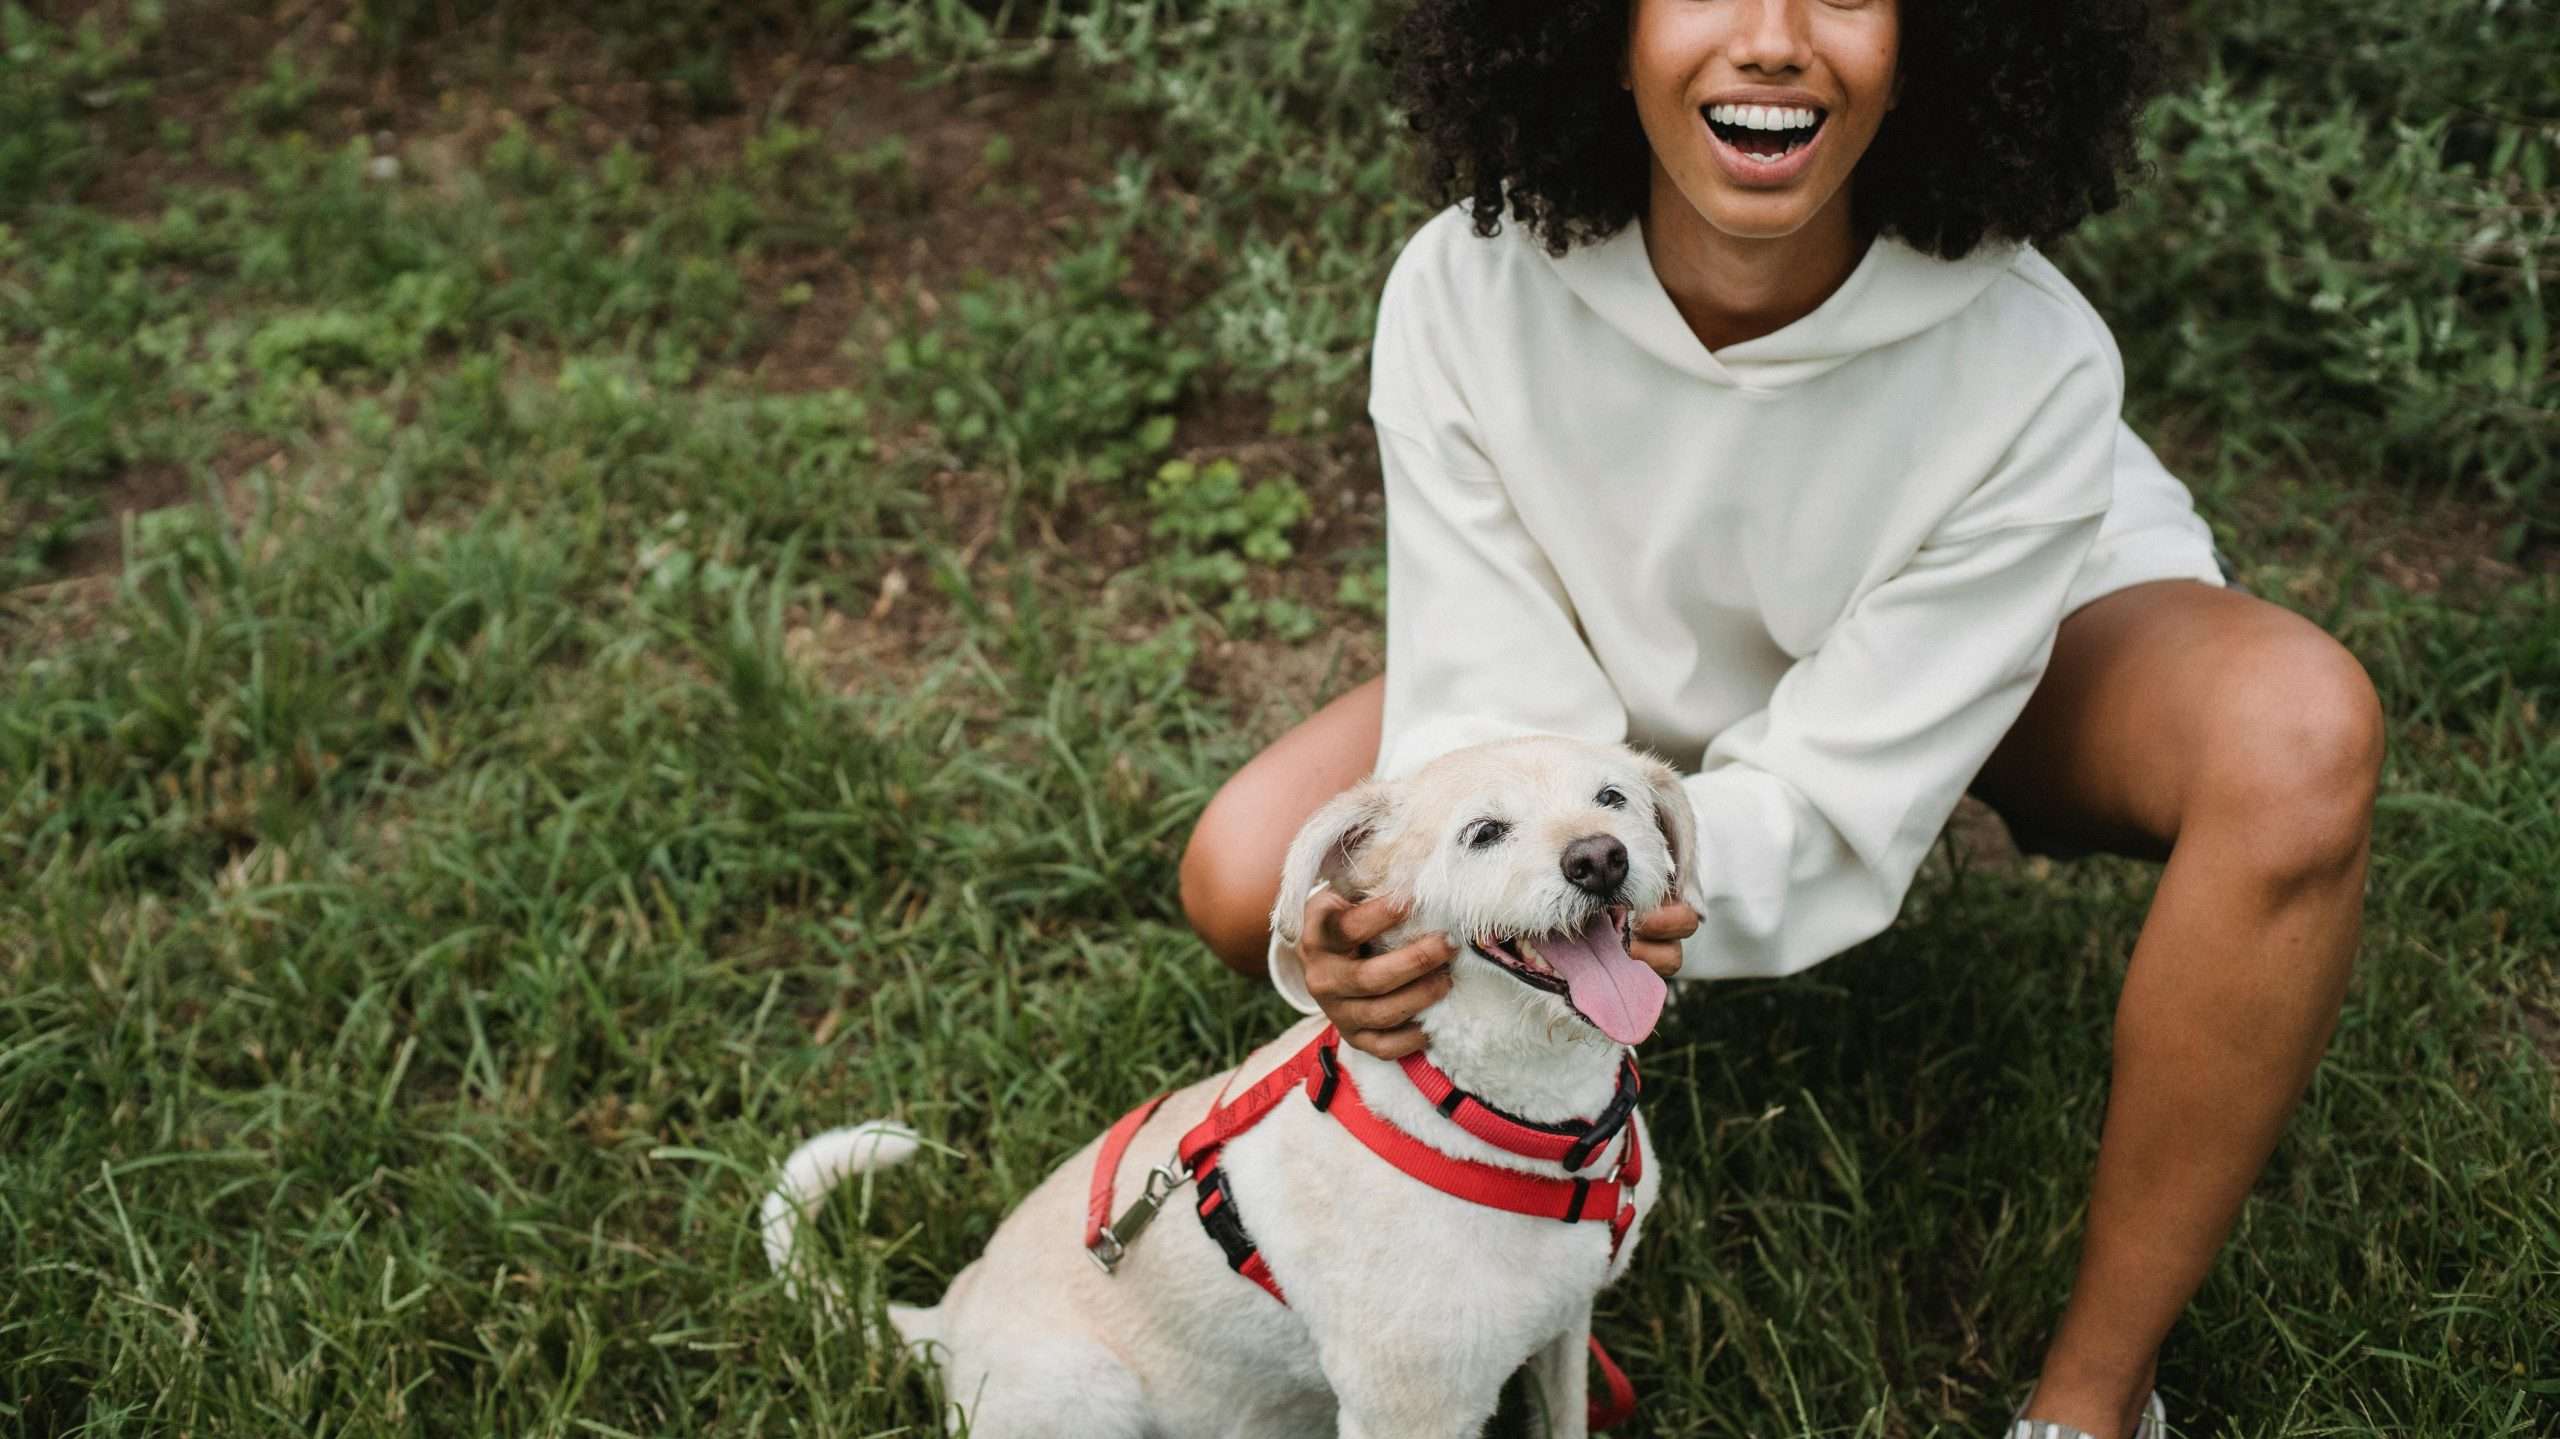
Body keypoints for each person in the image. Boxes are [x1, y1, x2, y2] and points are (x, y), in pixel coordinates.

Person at [1176, 0, 2383, 1436]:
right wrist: (1407, 921)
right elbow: (1494, 698)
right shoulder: (1463, 288)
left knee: (2296, 731)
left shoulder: (2030, 358)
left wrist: (1684, 878)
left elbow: (1845, 784)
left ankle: (2093, 1401)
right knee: (1256, 871)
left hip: (1975, 645)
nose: (1771, 37)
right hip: (1611, 678)